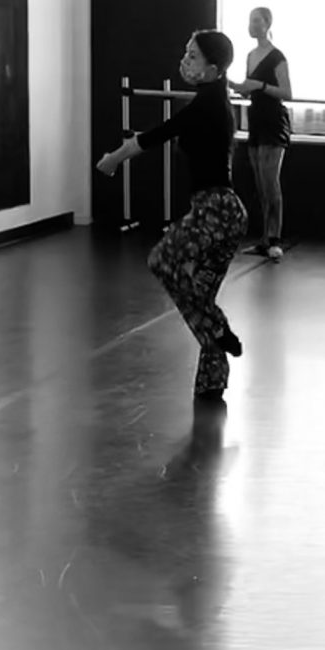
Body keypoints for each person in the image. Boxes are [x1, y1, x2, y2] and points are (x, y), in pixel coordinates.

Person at [96, 29, 249, 400]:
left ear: (213, 69)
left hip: (215, 210)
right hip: (227, 212)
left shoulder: (207, 104)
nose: (185, 61)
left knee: (162, 261)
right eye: (186, 52)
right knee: (200, 295)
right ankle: (212, 381)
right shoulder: (213, 100)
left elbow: (157, 135)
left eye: (193, 56)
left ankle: (218, 329)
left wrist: (113, 159)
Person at [236, 6, 292, 260]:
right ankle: (264, 238)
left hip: (273, 122)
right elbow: (250, 90)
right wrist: (239, 87)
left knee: (270, 183)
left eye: (257, 20)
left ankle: (275, 238)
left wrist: (259, 85)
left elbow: (287, 93)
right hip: (256, 120)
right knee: (260, 184)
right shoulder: (250, 56)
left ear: (267, 24)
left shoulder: (277, 56)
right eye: (250, 20)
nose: (252, 25)